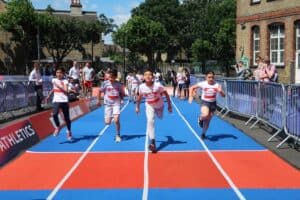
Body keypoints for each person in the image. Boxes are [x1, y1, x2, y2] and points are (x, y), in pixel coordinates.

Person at [135, 68, 172, 153]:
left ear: (153, 77)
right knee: (150, 121)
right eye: (146, 74)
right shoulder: (141, 87)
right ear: (143, 77)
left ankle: (154, 140)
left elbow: (166, 94)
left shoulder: (158, 85)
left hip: (159, 105)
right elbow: (139, 97)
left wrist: (169, 105)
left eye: (150, 74)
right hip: (149, 105)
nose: (148, 76)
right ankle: (153, 142)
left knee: (160, 117)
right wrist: (137, 107)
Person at [188, 70, 225, 139]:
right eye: (209, 77)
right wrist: (190, 96)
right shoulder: (203, 83)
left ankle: (203, 134)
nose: (211, 79)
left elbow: (223, 95)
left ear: (214, 78)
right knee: (205, 114)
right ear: (206, 77)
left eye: (212, 77)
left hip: (213, 104)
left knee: (208, 121)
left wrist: (220, 91)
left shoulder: (217, 85)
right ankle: (200, 118)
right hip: (205, 102)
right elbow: (191, 88)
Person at [45, 67, 73, 141]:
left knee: (67, 118)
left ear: (63, 73)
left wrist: (59, 86)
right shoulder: (54, 80)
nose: (58, 74)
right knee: (54, 114)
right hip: (56, 100)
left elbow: (66, 91)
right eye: (57, 72)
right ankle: (58, 126)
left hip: (64, 100)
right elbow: (53, 89)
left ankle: (69, 131)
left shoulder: (65, 81)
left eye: (60, 72)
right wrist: (48, 96)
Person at [98, 69, 125, 142]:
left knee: (116, 120)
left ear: (115, 77)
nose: (110, 78)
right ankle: (112, 117)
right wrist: (98, 100)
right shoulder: (105, 83)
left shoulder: (119, 84)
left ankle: (118, 135)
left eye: (112, 77)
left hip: (116, 103)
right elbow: (100, 91)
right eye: (109, 77)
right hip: (108, 104)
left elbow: (123, 93)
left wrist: (122, 99)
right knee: (107, 122)